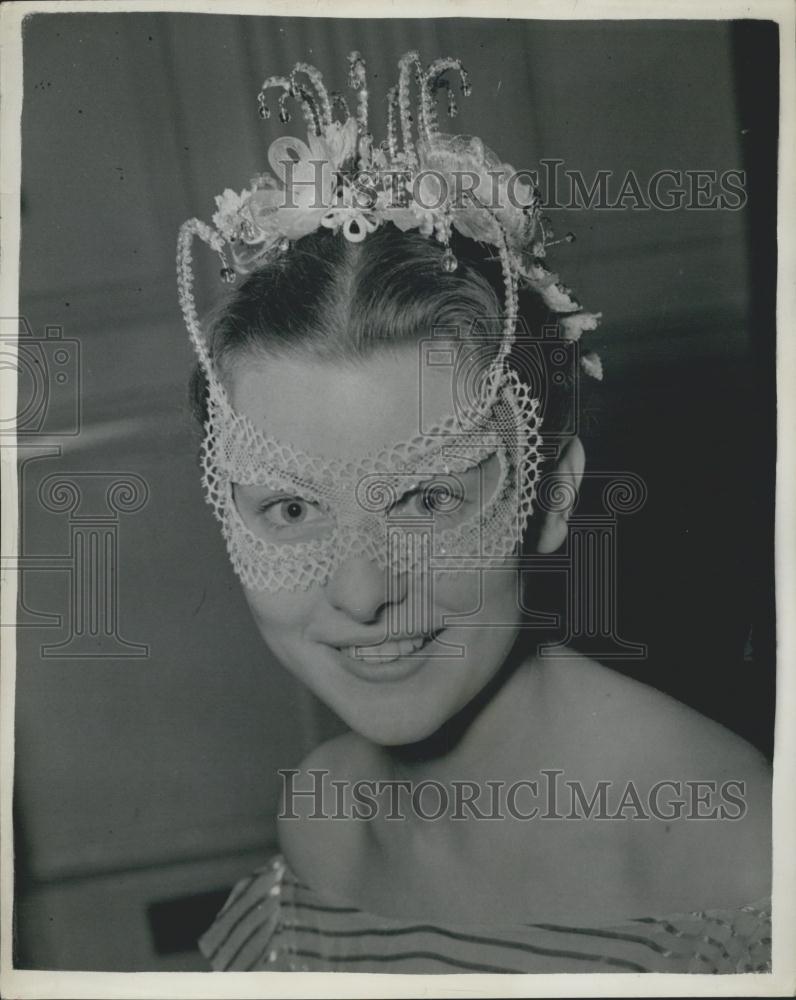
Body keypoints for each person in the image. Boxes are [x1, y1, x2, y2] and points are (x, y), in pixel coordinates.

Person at [178, 51, 771, 973]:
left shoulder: (743, 855)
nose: (363, 592)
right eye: (291, 507)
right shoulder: (323, 825)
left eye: (427, 498)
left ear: (553, 499)